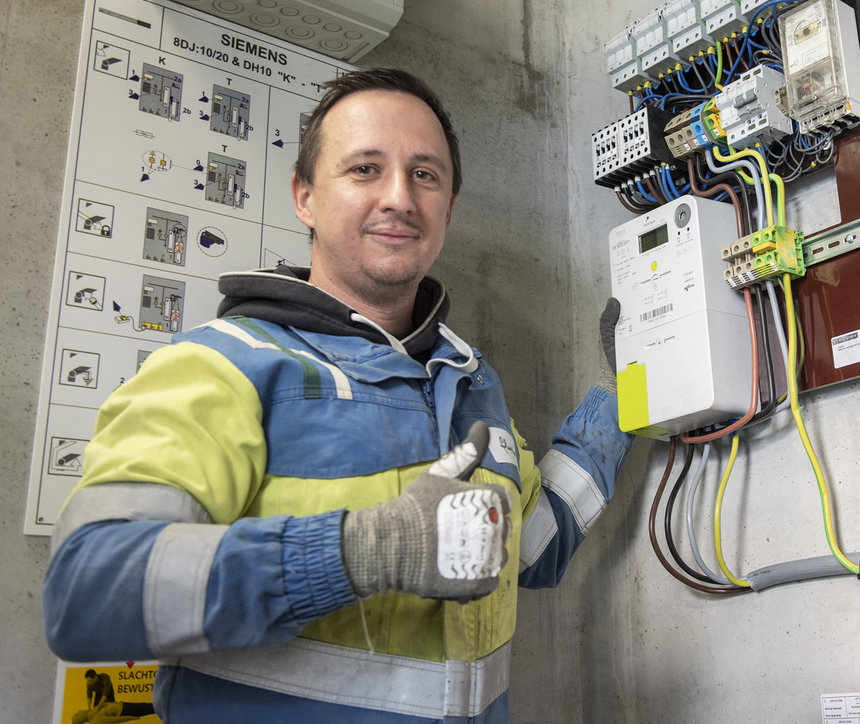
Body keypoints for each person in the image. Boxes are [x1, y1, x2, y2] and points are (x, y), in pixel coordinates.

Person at [44, 68, 633, 722]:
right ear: (305, 197)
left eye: (425, 175)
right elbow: (86, 592)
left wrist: (621, 399)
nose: (399, 198)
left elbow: (534, 546)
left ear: (448, 210)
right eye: (364, 169)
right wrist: (363, 552)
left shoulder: (468, 380)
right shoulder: (219, 366)